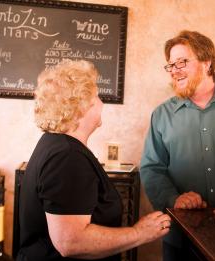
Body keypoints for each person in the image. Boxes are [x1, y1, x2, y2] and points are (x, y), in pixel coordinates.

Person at [17, 59, 171, 261]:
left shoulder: (56, 146)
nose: (102, 103)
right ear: (80, 106)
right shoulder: (67, 157)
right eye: (96, 96)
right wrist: (139, 233)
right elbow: (70, 242)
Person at [140, 30, 215, 261]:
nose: (174, 70)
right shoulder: (161, 115)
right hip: (181, 239)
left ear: (206, 63)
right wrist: (174, 199)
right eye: (170, 65)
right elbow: (152, 169)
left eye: (182, 62)